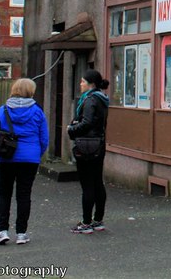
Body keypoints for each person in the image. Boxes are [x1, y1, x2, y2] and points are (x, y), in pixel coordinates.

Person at [0, 77, 49, 246]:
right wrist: (37, 153)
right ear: (30, 91)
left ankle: (2, 231)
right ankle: (21, 233)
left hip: (6, 157)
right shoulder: (37, 111)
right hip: (29, 158)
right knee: (24, 195)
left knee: (4, 193)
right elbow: (44, 138)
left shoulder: (3, 110)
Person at [67, 69, 110, 234]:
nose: (80, 84)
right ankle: (98, 219)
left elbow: (87, 122)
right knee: (97, 181)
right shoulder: (101, 99)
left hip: (86, 145)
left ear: (91, 84)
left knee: (88, 184)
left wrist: (72, 129)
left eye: (83, 81)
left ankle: (86, 222)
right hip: (99, 143)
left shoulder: (90, 100)